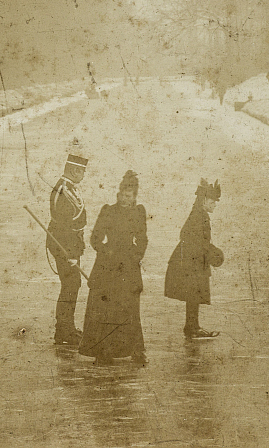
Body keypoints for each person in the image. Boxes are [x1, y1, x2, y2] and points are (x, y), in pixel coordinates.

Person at [79, 171, 148, 364]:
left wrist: (136, 255)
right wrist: (105, 251)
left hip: (128, 266)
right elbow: (95, 238)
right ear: (118, 194)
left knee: (129, 308)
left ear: (134, 197)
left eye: (129, 196)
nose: (125, 199)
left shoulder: (138, 212)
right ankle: (103, 351)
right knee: (105, 308)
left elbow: (142, 239)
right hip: (107, 266)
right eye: (123, 195)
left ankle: (135, 349)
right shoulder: (108, 211)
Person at [164, 179, 224, 338]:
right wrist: (211, 251)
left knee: (194, 294)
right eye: (212, 202)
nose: (214, 205)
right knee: (193, 294)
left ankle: (192, 326)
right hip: (191, 262)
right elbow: (186, 235)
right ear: (204, 201)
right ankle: (192, 328)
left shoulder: (200, 214)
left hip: (194, 260)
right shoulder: (199, 215)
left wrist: (208, 251)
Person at [48, 154, 89, 345]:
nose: (83, 175)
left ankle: (67, 328)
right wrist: (70, 254)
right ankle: (63, 331)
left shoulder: (68, 188)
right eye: (82, 171)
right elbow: (64, 225)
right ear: (74, 170)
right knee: (70, 285)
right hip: (65, 245)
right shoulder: (64, 190)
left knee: (72, 284)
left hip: (70, 244)